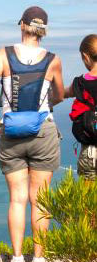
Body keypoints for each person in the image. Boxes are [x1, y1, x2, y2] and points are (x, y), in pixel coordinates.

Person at [0, 6, 64, 262]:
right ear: (43, 31)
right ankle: (38, 259)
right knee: (40, 199)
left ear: (22, 26)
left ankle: (17, 258)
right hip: (43, 131)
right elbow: (59, 95)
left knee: (17, 198)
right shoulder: (53, 59)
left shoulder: (4, 55)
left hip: (12, 131)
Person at [65, 34, 97, 180]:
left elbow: (59, 95)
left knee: (88, 202)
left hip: (90, 153)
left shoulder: (79, 83)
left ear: (85, 56)